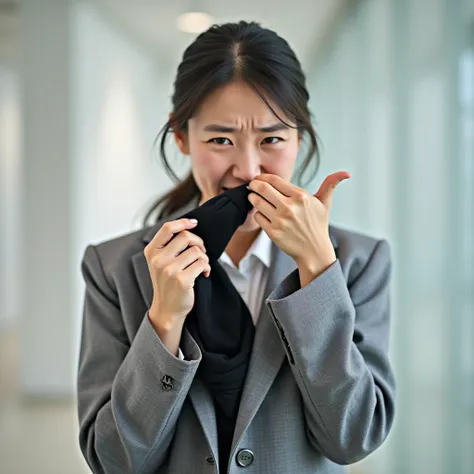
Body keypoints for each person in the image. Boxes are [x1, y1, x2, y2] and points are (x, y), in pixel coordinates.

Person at [77, 20, 396, 474]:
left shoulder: (359, 261)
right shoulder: (112, 268)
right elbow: (114, 461)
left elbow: (353, 437)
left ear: (299, 138)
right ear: (181, 137)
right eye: (221, 139)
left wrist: (318, 271)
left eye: (271, 139)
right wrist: (163, 321)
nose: (247, 169)